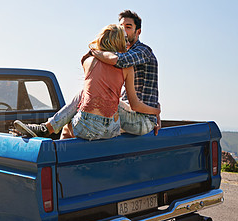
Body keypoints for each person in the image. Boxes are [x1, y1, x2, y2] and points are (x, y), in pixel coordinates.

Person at [14, 10, 161, 138]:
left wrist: (94, 51)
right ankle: (48, 128)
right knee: (71, 120)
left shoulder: (142, 51)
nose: (123, 31)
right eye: (121, 27)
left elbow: (118, 60)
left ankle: (47, 129)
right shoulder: (124, 57)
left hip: (140, 117)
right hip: (133, 112)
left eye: (128, 27)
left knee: (83, 99)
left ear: (138, 32)